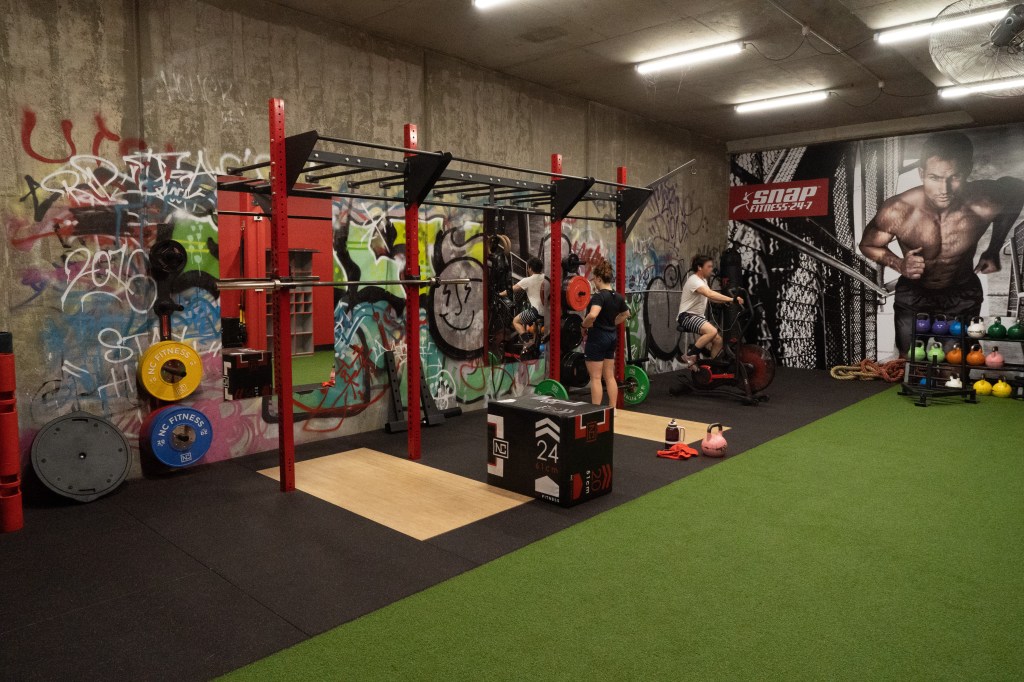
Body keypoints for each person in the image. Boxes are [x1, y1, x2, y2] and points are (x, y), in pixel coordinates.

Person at [858, 131, 1024, 356]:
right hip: (914, 295)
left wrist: (993, 248)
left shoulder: (984, 201)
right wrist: (899, 264)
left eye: (954, 177)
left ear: (968, 170)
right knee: (910, 361)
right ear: (921, 173)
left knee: (955, 364)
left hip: (961, 294)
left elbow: (1016, 191)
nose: (944, 190)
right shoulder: (898, 210)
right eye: (934, 178)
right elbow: (868, 245)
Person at [676, 254, 743, 363]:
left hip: (697, 317)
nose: (711, 269)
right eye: (709, 266)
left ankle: (713, 366)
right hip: (686, 316)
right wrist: (732, 299)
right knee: (712, 331)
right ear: (699, 267)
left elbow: (711, 298)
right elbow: (710, 294)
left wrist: (727, 301)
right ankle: (689, 356)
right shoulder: (694, 280)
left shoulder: (703, 281)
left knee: (718, 341)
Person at [581, 259, 630, 407]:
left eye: (594, 279)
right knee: (609, 376)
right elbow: (626, 314)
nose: (594, 282)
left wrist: (584, 325)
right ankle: (612, 409)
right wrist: (612, 323)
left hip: (597, 338)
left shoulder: (599, 296)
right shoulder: (618, 296)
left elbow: (593, 315)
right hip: (611, 337)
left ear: (599, 278)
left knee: (596, 378)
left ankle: (596, 412)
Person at [509, 257, 546, 349]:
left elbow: (511, 290)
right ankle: (536, 343)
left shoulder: (527, 280)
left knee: (516, 321)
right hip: (549, 312)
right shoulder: (546, 278)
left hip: (537, 312)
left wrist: (500, 294)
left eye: (528, 268)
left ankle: (528, 342)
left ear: (530, 268)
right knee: (534, 326)